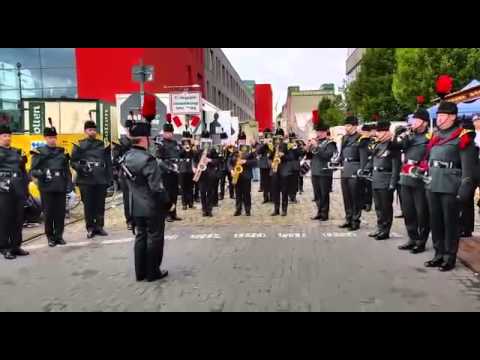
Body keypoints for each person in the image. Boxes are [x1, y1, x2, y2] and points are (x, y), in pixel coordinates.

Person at [424, 101, 476, 271]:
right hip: (433, 183)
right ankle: (438, 254)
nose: (438, 119)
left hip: (450, 186)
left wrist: (464, 192)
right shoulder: (436, 135)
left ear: (452, 117)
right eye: (437, 116)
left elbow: (469, 169)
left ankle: (449, 257)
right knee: (436, 222)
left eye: (441, 116)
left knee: (450, 223)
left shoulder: (463, 136)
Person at [121, 120, 169, 282]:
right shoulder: (148, 160)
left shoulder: (126, 158)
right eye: (148, 137)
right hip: (151, 206)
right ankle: (153, 272)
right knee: (154, 238)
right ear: (144, 139)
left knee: (140, 237)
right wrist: (167, 203)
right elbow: (157, 188)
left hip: (135, 206)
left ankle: (140, 272)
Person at [30, 123, 73, 247]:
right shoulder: (39, 152)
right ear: (45, 138)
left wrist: (69, 185)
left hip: (60, 185)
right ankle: (50, 236)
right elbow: (32, 170)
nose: (52, 140)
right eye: (50, 137)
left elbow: (67, 170)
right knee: (49, 213)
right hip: (47, 186)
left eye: (54, 137)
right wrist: (42, 174)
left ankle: (59, 235)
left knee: (60, 213)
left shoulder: (61, 151)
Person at [394, 109, 431, 253]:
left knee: (421, 212)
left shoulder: (429, 138)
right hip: (405, 177)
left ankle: (421, 241)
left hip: (419, 178)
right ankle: (412, 238)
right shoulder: (409, 137)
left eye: (416, 120)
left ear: (424, 122)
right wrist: (398, 135)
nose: (413, 123)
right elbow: (395, 147)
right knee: (408, 210)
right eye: (413, 120)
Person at [71, 121, 113, 239]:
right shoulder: (79, 145)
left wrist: (109, 178)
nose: (92, 132)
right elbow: (72, 162)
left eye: (94, 130)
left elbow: (108, 163)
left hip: (101, 178)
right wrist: (82, 168)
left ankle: (99, 226)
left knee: (100, 204)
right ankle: (90, 228)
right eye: (90, 130)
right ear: (85, 131)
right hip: (86, 179)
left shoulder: (103, 145)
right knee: (88, 205)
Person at [363, 119, 401, 240]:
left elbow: (396, 166)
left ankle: (385, 230)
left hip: (386, 179)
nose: (377, 134)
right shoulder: (378, 144)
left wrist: (393, 183)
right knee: (378, 207)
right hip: (376, 179)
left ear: (386, 132)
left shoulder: (393, 146)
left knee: (386, 207)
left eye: (379, 132)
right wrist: (365, 169)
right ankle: (379, 228)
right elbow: (372, 160)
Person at [0, 124, 30, 260]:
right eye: (4, 136)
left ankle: (16, 246)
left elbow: (23, 172)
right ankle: (5, 248)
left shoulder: (17, 152)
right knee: (5, 219)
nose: (7, 138)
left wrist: (26, 189)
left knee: (18, 219)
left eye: (8, 135)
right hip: (4, 189)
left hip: (18, 188)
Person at [338, 116, 366, 231]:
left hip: (355, 168)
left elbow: (363, 157)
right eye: (345, 125)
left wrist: (362, 170)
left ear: (355, 126)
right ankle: (348, 218)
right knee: (346, 196)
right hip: (345, 168)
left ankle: (355, 220)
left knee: (355, 196)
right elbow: (342, 153)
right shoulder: (344, 138)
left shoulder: (360, 138)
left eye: (348, 125)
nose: (346, 127)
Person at [306, 122, 337, 221]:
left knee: (324, 193)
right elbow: (309, 157)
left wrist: (317, 147)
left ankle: (324, 214)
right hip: (315, 171)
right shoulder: (316, 142)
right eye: (317, 131)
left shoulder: (330, 143)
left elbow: (327, 156)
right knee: (317, 194)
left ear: (325, 132)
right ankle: (319, 212)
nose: (318, 133)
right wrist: (308, 148)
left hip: (324, 172)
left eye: (320, 131)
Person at [156, 121, 182, 222]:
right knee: (166, 194)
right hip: (165, 173)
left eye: (170, 132)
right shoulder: (160, 144)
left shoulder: (175, 143)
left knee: (174, 194)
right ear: (163, 133)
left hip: (175, 172)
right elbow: (159, 160)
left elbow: (179, 155)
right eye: (167, 132)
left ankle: (173, 213)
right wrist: (169, 168)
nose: (169, 134)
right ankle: (167, 214)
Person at [229, 132, 257, 216]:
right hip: (236, 174)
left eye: (243, 140)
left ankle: (247, 209)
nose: (241, 141)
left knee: (246, 193)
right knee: (237, 193)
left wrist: (245, 161)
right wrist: (231, 170)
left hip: (246, 174)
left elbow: (255, 162)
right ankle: (238, 209)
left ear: (245, 140)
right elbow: (229, 162)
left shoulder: (250, 150)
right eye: (240, 140)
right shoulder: (234, 150)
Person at [194, 131, 219, 217]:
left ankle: (209, 209)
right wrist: (194, 167)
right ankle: (204, 209)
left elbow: (217, 160)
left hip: (210, 173)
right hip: (201, 173)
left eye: (206, 138)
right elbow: (194, 160)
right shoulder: (198, 149)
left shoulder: (212, 149)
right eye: (203, 138)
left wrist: (210, 160)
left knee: (210, 192)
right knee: (202, 192)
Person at [270, 128, 295, 216]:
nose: (278, 139)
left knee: (284, 191)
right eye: (276, 137)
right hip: (275, 170)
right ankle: (276, 210)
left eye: (280, 137)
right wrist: (273, 150)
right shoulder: (273, 145)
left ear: (283, 137)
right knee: (275, 191)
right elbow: (270, 157)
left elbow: (291, 157)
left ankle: (284, 210)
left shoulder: (287, 145)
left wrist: (283, 155)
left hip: (284, 171)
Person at [112, 135, 133, 230]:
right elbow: (115, 159)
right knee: (128, 199)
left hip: (137, 171)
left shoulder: (137, 140)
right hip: (125, 174)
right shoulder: (120, 142)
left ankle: (138, 219)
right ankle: (130, 221)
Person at [179, 131, 195, 210]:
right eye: (185, 138)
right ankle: (184, 204)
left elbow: (194, 155)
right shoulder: (179, 146)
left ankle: (190, 203)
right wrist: (184, 148)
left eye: (187, 138)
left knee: (190, 187)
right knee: (183, 188)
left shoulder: (192, 146)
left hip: (190, 170)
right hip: (182, 169)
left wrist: (191, 147)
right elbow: (179, 155)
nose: (186, 140)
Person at [257, 129, 274, 204]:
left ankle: (272, 197)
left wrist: (270, 144)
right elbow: (258, 151)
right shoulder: (261, 144)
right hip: (263, 165)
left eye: (269, 137)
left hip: (271, 165)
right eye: (267, 137)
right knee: (264, 182)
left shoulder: (273, 144)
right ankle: (265, 197)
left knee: (272, 182)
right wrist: (265, 144)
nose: (268, 139)